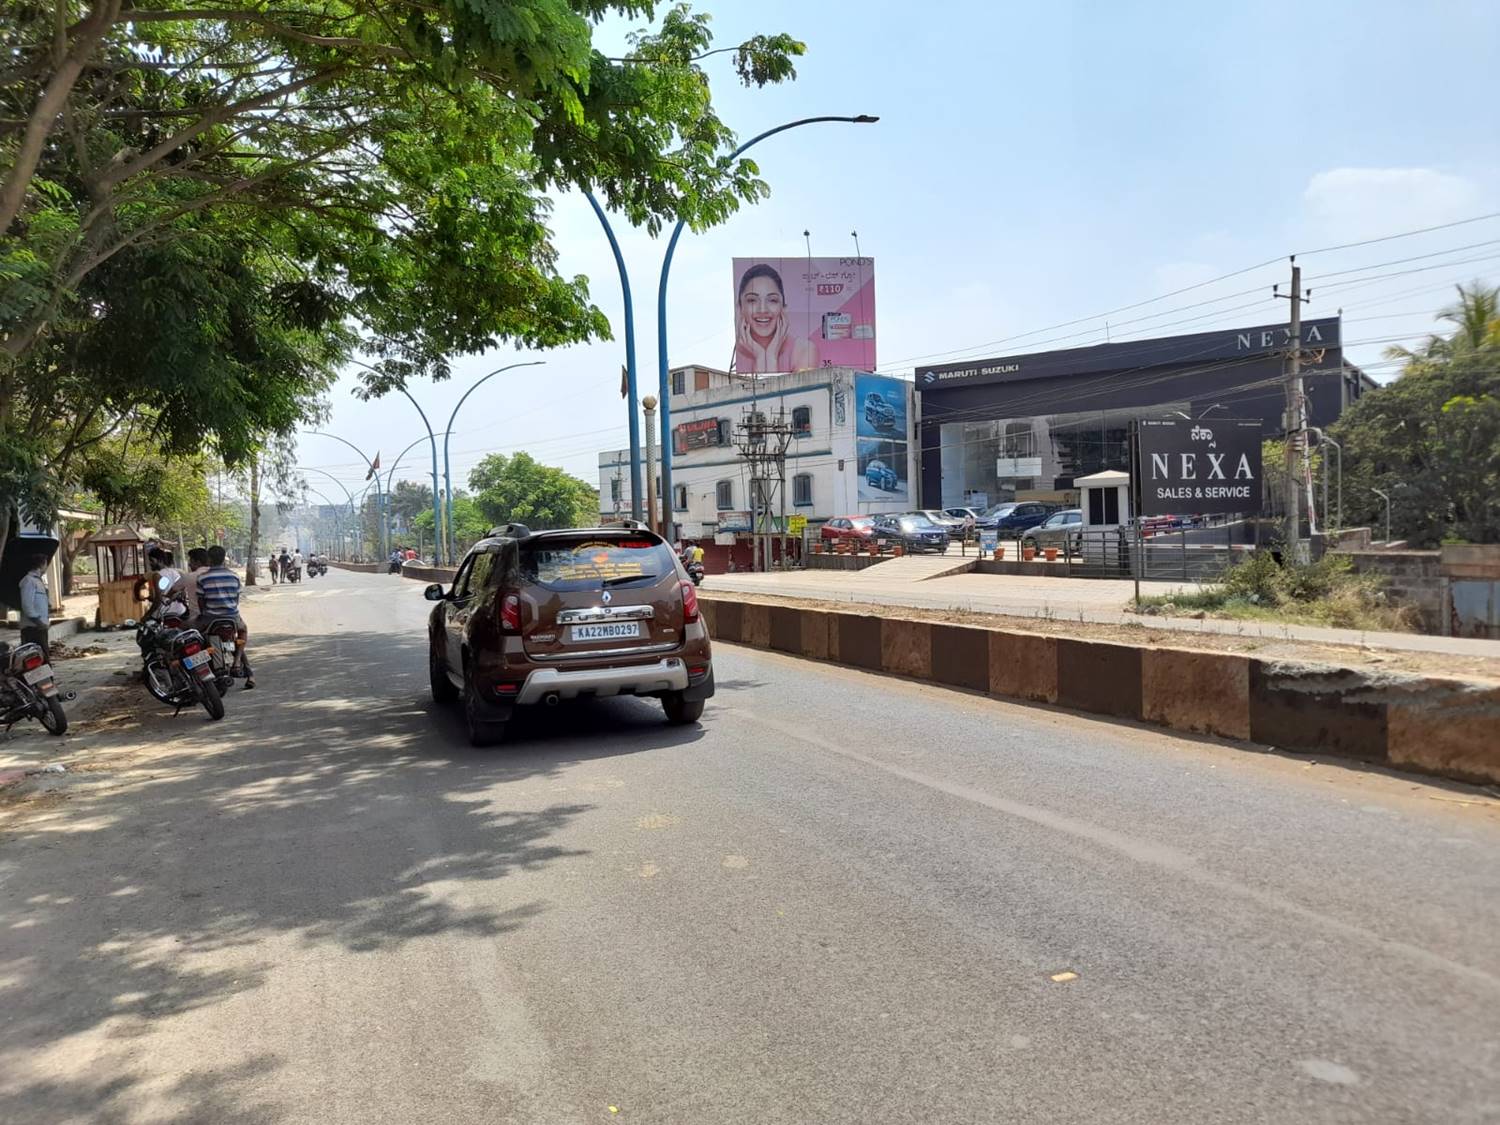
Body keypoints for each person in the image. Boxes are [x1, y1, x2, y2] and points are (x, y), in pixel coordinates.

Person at [734, 263, 819, 375]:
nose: (763, 309)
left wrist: (770, 356)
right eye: (752, 300)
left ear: (783, 308)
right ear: (740, 308)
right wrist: (760, 356)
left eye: (772, 300)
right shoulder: (736, 356)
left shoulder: (804, 350)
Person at [197, 546, 254, 689]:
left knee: (192, 634)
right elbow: (236, 599)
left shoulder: (202, 578)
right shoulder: (234, 576)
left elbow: (201, 602)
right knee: (242, 632)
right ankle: (238, 660)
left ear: (209, 559)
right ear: (224, 559)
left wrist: (205, 614)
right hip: (232, 617)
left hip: (210, 619)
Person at [18, 553, 52, 662]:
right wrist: (38, 622)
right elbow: (27, 605)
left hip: (40, 627)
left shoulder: (38, 581)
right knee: (35, 659)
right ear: (42, 564)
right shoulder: (29, 581)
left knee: (43, 658)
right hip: (32, 628)